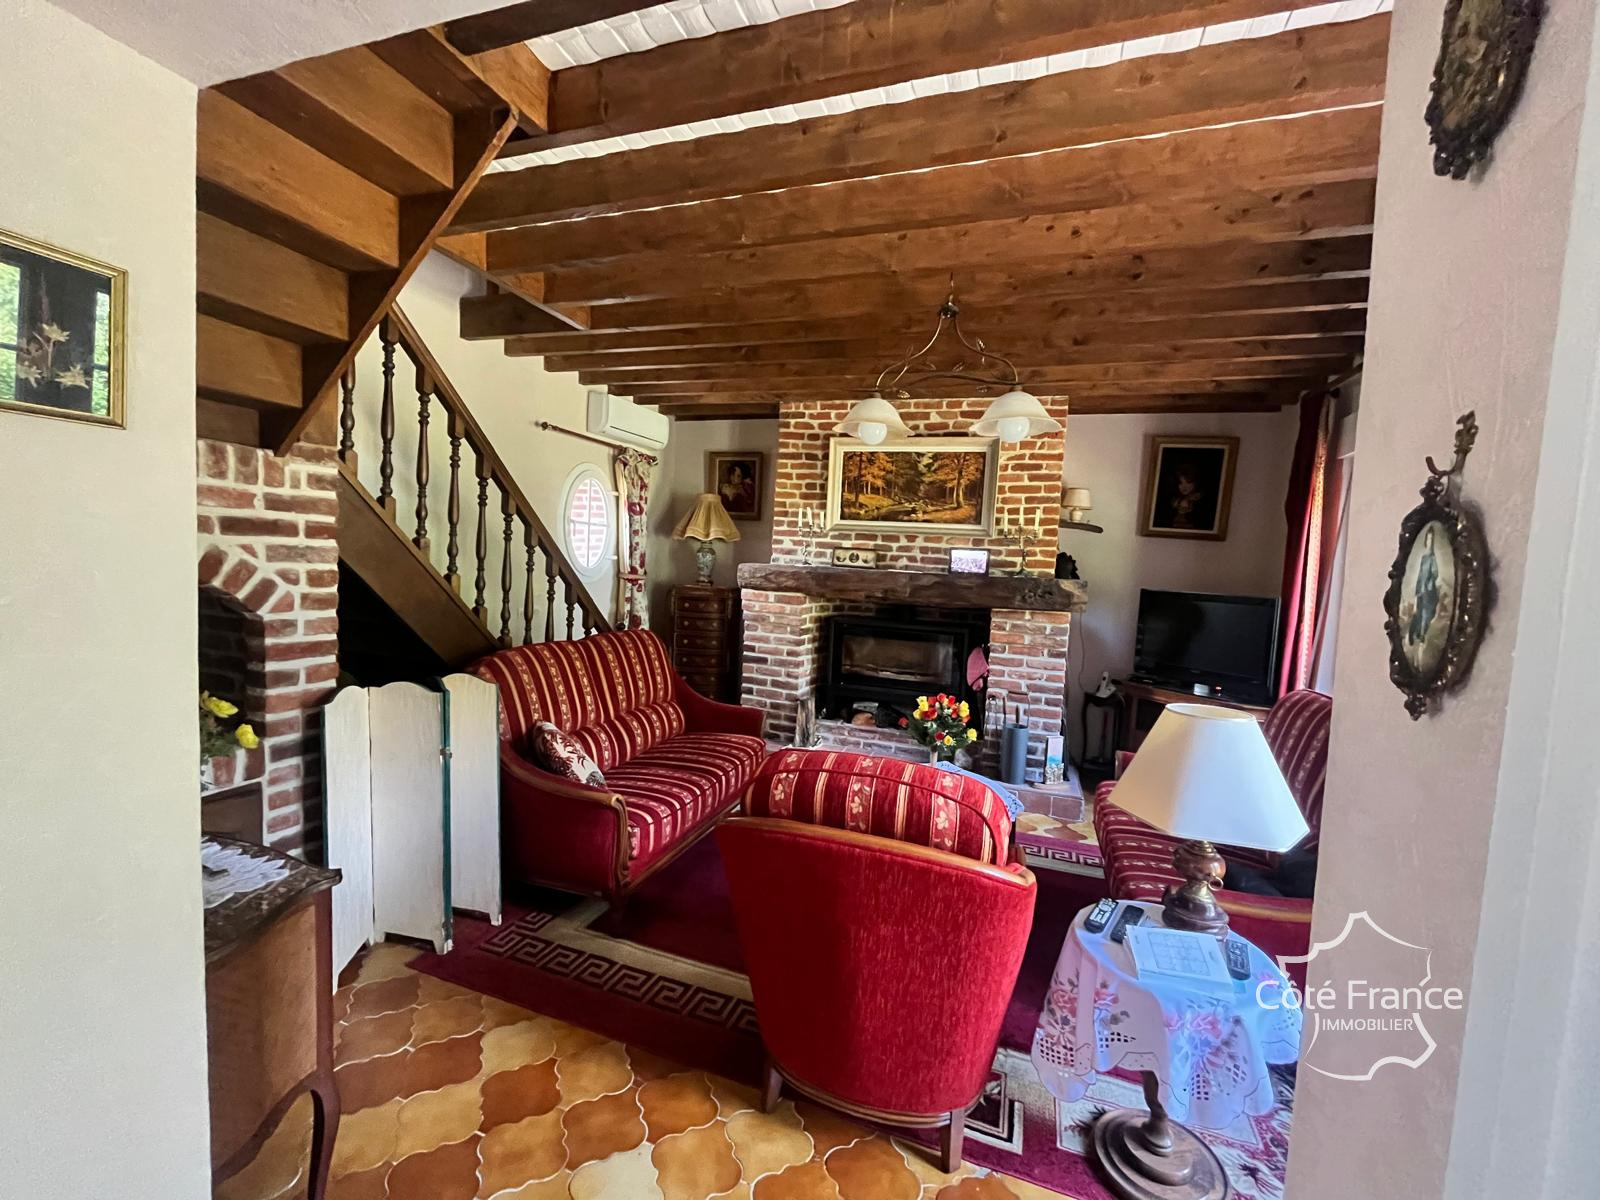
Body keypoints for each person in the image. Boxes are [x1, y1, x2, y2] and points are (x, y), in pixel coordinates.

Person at [1408, 526, 1441, 648]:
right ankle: (1415, 635)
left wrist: (1430, 581)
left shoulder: (1433, 558)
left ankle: (1422, 635)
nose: (1430, 542)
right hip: (1421, 590)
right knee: (1419, 612)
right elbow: (1420, 575)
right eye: (1428, 540)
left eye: (1431, 540)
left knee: (1427, 614)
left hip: (1429, 590)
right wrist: (1418, 590)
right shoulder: (1424, 558)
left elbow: (1436, 573)